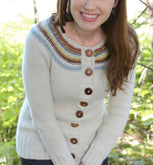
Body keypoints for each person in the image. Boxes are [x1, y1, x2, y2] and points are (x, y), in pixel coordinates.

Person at [16, 0, 139, 164]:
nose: (89, 6)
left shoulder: (125, 41)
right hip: (41, 150)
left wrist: (92, 159)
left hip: (93, 151)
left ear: (116, 2)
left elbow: (118, 113)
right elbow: (42, 119)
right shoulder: (41, 39)